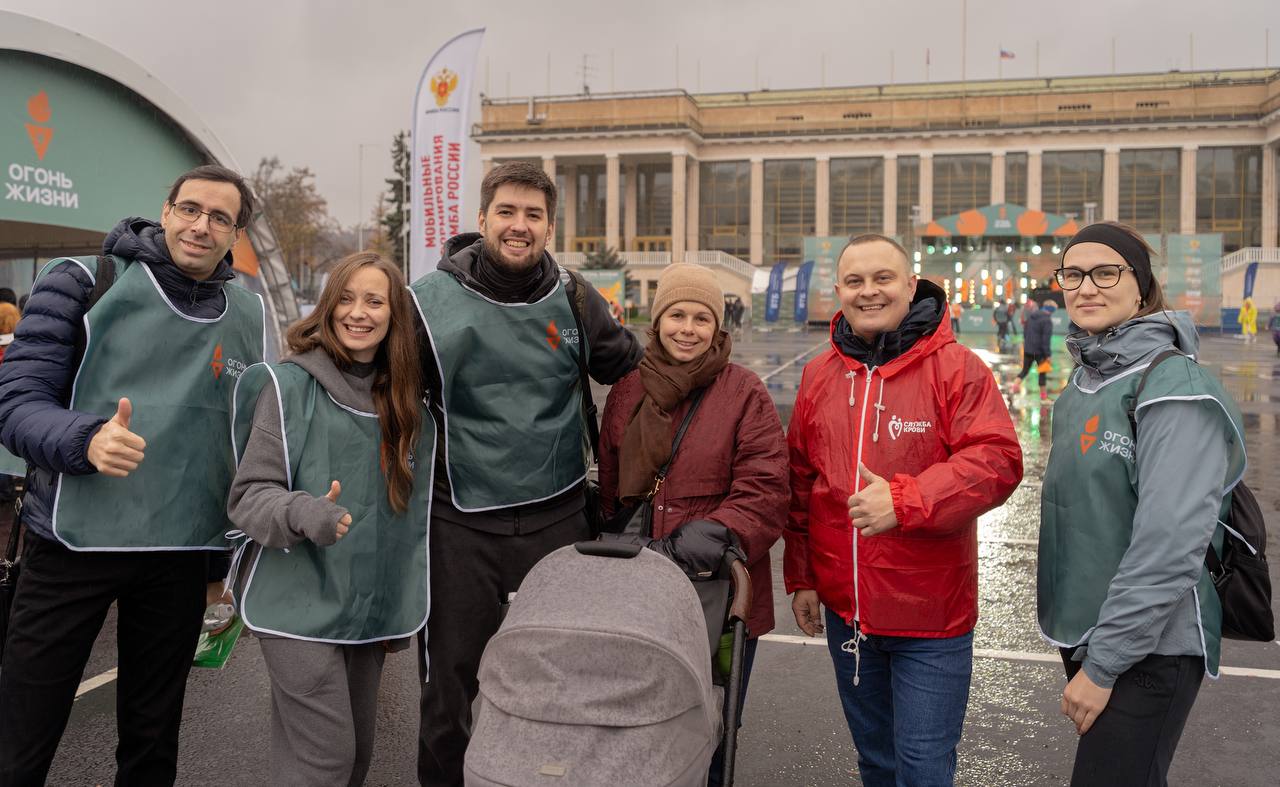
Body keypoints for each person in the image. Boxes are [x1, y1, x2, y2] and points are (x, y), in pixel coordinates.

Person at [0, 164, 266, 785]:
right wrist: (85, 437)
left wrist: (215, 569)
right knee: (21, 737)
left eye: (220, 218)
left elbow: (232, 445)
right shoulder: (84, 281)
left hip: (178, 551)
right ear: (166, 210)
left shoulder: (247, 314)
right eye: (191, 209)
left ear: (236, 233)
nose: (202, 226)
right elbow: (14, 404)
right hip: (73, 544)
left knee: (151, 746)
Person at [410, 161, 643, 786]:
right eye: (507, 212)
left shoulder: (574, 294)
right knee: (447, 694)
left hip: (558, 515)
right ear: (482, 219)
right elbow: (369, 391)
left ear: (549, 225)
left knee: (557, 682)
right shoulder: (425, 303)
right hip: (458, 520)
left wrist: (722, 387)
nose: (520, 226)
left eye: (533, 215)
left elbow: (637, 373)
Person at [785, 234, 1023, 787]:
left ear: (911, 286)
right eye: (855, 281)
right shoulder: (820, 375)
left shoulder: (957, 368)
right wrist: (802, 576)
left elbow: (997, 460)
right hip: (849, 619)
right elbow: (802, 484)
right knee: (877, 763)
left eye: (883, 278)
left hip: (931, 620)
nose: (869, 291)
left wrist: (904, 500)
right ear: (839, 291)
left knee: (921, 768)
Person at [1038, 221, 1246, 787]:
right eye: (1073, 274)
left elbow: (1170, 544)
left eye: (1106, 271)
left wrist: (1104, 662)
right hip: (1096, 630)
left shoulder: (1172, 382)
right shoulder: (1084, 382)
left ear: (1141, 284)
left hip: (1149, 644)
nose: (1086, 287)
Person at [228, 252, 430, 787]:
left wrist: (397, 609)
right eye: (345, 297)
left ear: (394, 316)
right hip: (296, 604)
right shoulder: (288, 386)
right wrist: (301, 509)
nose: (357, 312)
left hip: (365, 611)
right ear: (327, 304)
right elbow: (249, 496)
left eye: (374, 300)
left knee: (359, 756)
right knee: (325, 760)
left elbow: (401, 517)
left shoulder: (405, 402)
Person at [597, 263, 788, 787]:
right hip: (636, 592)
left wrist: (693, 544)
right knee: (635, 725)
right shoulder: (627, 390)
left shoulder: (744, 392)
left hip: (718, 595)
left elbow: (765, 491)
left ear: (718, 326)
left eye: (701, 318)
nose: (688, 328)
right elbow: (612, 490)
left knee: (708, 726)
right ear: (656, 323)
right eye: (676, 315)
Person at [1014, 300, 1054, 401]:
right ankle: (1043, 396)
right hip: (1040, 351)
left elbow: (1025, 332)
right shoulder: (1047, 320)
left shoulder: (1031, 316)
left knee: (1025, 370)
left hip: (1028, 349)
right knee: (1042, 372)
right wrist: (1048, 355)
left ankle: (1015, 386)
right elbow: (1046, 339)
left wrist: (1027, 344)